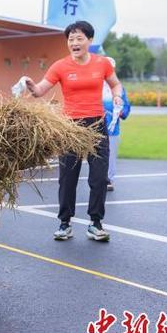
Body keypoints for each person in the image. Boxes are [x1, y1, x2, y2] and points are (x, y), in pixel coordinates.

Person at [23, 21, 124, 242]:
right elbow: (41, 90)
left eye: (79, 38)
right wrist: (32, 86)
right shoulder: (60, 66)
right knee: (68, 178)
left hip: (96, 125)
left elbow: (116, 84)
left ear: (89, 40)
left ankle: (95, 224)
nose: (74, 42)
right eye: (70, 39)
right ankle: (64, 223)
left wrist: (117, 95)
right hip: (70, 127)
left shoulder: (103, 63)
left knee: (99, 178)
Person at [102, 57, 131, 192]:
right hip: (94, 128)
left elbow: (126, 108)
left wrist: (120, 112)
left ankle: (109, 179)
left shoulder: (119, 88)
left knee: (111, 155)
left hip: (113, 129)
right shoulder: (96, 87)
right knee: (95, 155)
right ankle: (97, 179)